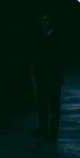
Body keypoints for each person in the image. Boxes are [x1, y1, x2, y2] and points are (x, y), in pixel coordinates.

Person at [30, 12, 65, 141]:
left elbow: (62, 60)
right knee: (43, 105)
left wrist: (58, 77)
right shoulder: (40, 37)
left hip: (53, 78)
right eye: (42, 20)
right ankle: (43, 128)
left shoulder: (58, 38)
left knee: (53, 105)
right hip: (42, 77)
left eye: (46, 20)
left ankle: (53, 131)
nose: (43, 23)